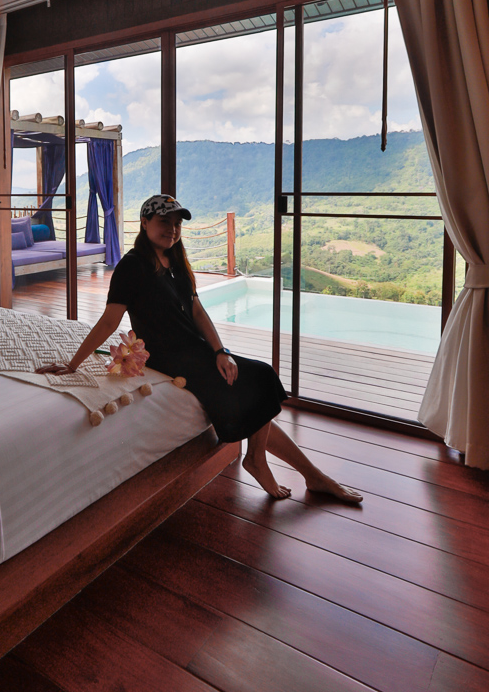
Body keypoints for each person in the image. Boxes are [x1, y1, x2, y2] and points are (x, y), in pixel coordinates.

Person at [37, 194, 362, 503]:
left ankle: (310, 475)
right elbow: (109, 321)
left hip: (195, 349)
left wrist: (221, 351)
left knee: (256, 395)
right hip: (168, 356)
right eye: (164, 222)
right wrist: (73, 364)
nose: (172, 229)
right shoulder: (132, 266)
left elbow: (197, 310)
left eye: (177, 223)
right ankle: (264, 462)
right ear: (144, 222)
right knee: (262, 376)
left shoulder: (176, 261)